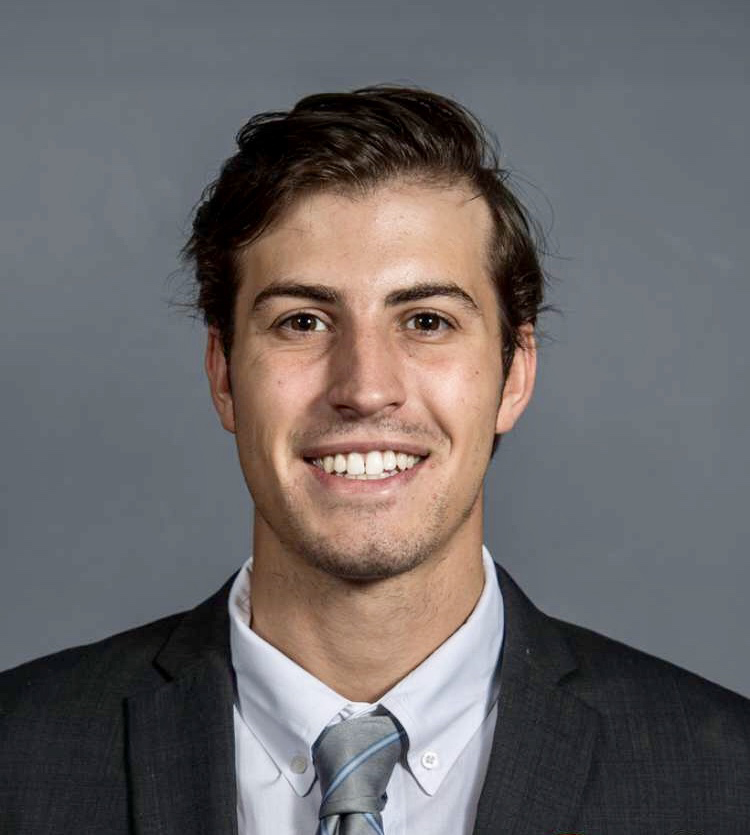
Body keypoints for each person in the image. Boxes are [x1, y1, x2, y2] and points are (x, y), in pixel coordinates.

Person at [1, 86, 748, 835]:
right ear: (224, 374)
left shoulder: (724, 780)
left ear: (514, 373)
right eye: (302, 321)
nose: (364, 387)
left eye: (426, 321)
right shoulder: (20, 759)